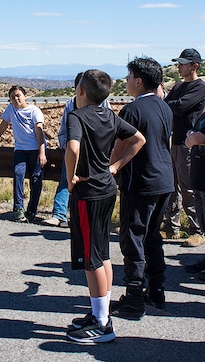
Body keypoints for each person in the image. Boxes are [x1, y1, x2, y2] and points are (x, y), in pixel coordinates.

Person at [65, 69, 146, 343]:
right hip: (107, 189)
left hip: (88, 193)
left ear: (80, 91)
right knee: (102, 253)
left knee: (91, 259)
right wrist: (115, 167)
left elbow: (72, 148)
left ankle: (102, 324)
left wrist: (70, 177)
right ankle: (100, 312)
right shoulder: (110, 115)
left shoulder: (76, 116)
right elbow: (139, 139)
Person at [110, 57, 174, 319]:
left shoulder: (131, 111)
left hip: (141, 182)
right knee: (151, 236)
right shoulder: (164, 107)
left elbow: (120, 147)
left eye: (128, 77)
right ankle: (157, 288)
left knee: (133, 238)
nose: (126, 82)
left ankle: (134, 296)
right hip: (164, 179)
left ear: (138, 80)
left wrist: (112, 167)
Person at [42, 72, 111, 228]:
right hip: (74, 149)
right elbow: (63, 131)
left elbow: (108, 126)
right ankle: (59, 214)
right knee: (67, 180)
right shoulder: (70, 105)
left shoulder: (103, 104)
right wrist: (66, 144)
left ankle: (84, 217)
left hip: (94, 151)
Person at [162, 48, 205, 247]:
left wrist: (171, 104)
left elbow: (177, 107)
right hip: (175, 141)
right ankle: (172, 227)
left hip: (188, 144)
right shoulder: (179, 86)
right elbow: (168, 105)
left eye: (183, 64)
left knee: (189, 187)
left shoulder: (198, 87)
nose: (179, 67)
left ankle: (197, 230)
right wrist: (171, 104)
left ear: (194, 66)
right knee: (171, 186)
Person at [0, 85, 47, 223]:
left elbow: (39, 131)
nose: (16, 99)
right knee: (18, 175)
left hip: (35, 149)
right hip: (20, 149)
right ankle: (18, 209)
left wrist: (42, 152)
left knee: (36, 179)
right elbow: (2, 126)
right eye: (12, 97)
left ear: (25, 96)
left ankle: (32, 210)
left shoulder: (34, 111)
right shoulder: (11, 109)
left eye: (18, 96)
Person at [184, 89, 205, 281]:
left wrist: (194, 137)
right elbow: (189, 138)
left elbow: (196, 138)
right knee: (204, 221)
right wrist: (193, 137)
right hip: (200, 177)